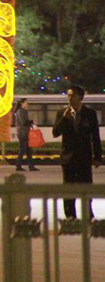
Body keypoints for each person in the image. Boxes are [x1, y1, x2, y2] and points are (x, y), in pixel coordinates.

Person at [52, 85, 101, 219]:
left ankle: (87, 214)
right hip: (68, 158)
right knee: (68, 188)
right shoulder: (62, 113)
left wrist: (97, 156)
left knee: (86, 186)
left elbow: (95, 137)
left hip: (84, 157)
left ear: (80, 97)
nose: (69, 98)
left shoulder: (90, 114)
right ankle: (70, 217)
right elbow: (55, 133)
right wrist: (64, 119)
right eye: (68, 95)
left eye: (71, 95)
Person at [14, 98, 39, 172]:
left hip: (24, 132)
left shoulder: (22, 111)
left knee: (28, 150)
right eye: (26, 102)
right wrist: (32, 122)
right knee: (23, 149)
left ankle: (31, 166)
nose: (28, 104)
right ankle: (18, 166)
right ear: (22, 103)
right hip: (23, 133)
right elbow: (23, 122)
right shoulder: (21, 111)